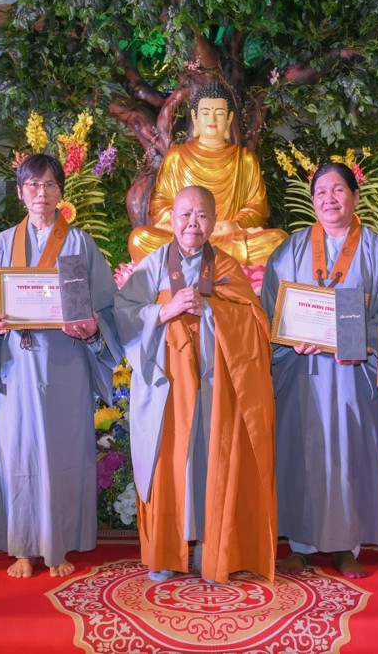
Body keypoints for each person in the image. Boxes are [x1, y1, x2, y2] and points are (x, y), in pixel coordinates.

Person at [0, 153, 122, 579]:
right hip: (16, 366)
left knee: (61, 453)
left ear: (61, 192)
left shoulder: (80, 245)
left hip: (65, 364)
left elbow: (107, 305)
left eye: (50, 184)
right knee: (18, 453)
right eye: (33, 185)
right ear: (21, 193)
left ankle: (58, 544)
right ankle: (22, 547)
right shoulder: (3, 244)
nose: (42, 193)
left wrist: (93, 326)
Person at [115, 184, 277, 584]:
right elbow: (124, 315)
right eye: (185, 214)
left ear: (215, 220)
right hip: (167, 387)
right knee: (168, 464)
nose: (192, 223)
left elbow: (256, 321)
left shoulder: (226, 267)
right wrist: (165, 310)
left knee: (212, 461)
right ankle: (165, 552)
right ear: (171, 218)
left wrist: (214, 310)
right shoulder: (152, 265)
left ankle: (212, 546)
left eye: (202, 215)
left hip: (215, 388)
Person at [262, 162, 378, 578]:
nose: (330, 199)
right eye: (321, 192)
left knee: (349, 455)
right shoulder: (289, 250)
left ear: (355, 197)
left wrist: (362, 343)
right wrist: (288, 338)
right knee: (301, 453)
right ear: (312, 201)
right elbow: (269, 309)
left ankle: (347, 546)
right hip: (301, 371)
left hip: (351, 374)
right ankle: (301, 545)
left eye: (338, 190)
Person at [127, 82, 286, 266]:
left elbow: (257, 207)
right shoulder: (177, 156)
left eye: (219, 113)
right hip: (186, 236)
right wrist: (186, 224)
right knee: (139, 239)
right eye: (205, 113)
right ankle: (210, 257)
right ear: (195, 117)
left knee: (278, 241)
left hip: (228, 236)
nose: (212, 118)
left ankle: (194, 258)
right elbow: (160, 203)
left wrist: (234, 225)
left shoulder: (244, 159)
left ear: (229, 118)